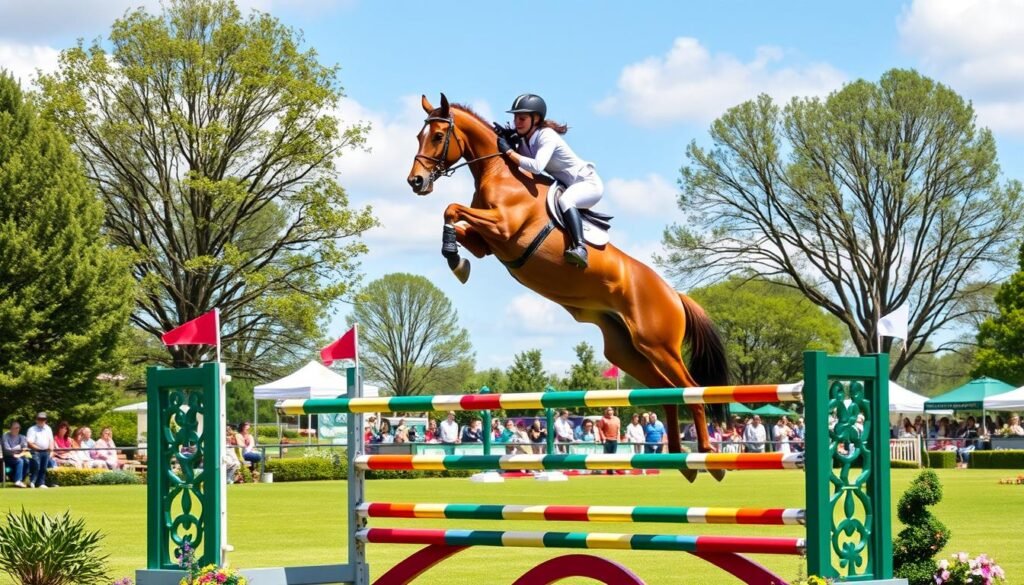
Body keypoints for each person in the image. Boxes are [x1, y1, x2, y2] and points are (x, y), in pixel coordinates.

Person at [497, 94, 604, 269]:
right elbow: (519, 163)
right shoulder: (525, 141)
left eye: (522, 118)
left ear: (536, 118)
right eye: (515, 118)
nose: (517, 122)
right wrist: (508, 140)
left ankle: (580, 248)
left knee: (566, 200)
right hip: (568, 185)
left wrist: (509, 152)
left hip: (588, 184)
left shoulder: (547, 135)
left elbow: (537, 167)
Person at [26, 412, 55, 488]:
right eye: (39, 419)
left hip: (46, 451)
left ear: (46, 420)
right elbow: (29, 442)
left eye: (43, 419)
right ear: (36, 420)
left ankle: (41, 483)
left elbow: (51, 440)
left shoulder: (48, 428)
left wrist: (51, 449)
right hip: (35, 451)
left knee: (43, 468)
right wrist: (39, 449)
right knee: (36, 466)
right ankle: (32, 482)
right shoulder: (32, 429)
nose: (41, 421)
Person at [2, 421, 31, 488]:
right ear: (11, 428)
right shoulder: (5, 436)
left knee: (27, 461)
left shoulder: (22, 437)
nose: (17, 429)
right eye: (15, 428)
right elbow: (7, 449)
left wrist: (19, 454)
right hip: (8, 457)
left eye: (18, 428)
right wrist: (16, 453)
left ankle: (20, 480)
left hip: (19, 456)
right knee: (20, 461)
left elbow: (25, 449)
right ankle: (18, 480)